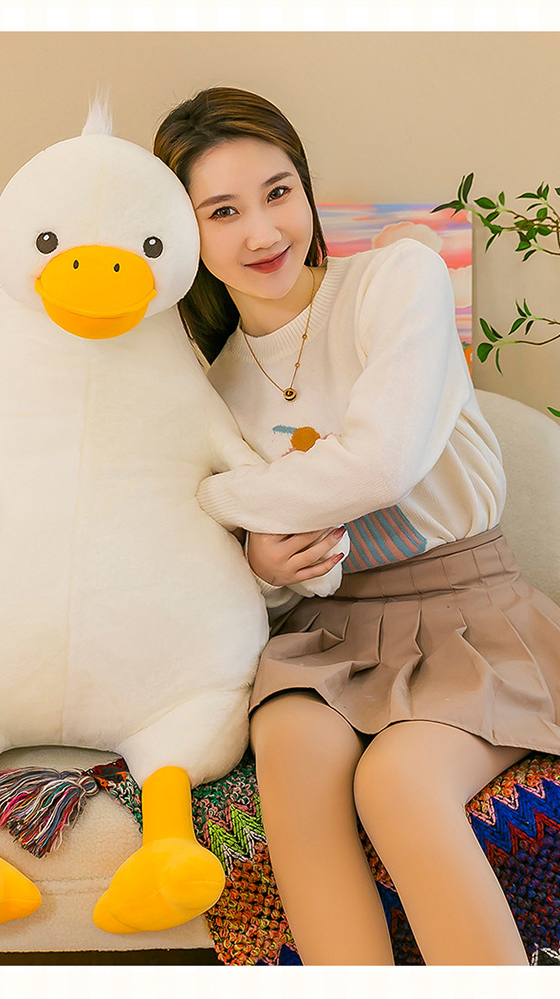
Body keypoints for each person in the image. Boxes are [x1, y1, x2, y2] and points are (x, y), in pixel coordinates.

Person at [153, 86, 560, 966]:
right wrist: (264, 568)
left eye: (278, 192)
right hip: (326, 632)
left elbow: (383, 464)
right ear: (187, 236)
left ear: (305, 188)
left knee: (399, 779)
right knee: (290, 750)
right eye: (223, 212)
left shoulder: (395, 280)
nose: (263, 231)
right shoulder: (211, 389)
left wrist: (223, 502)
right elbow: (236, 579)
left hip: (468, 615)